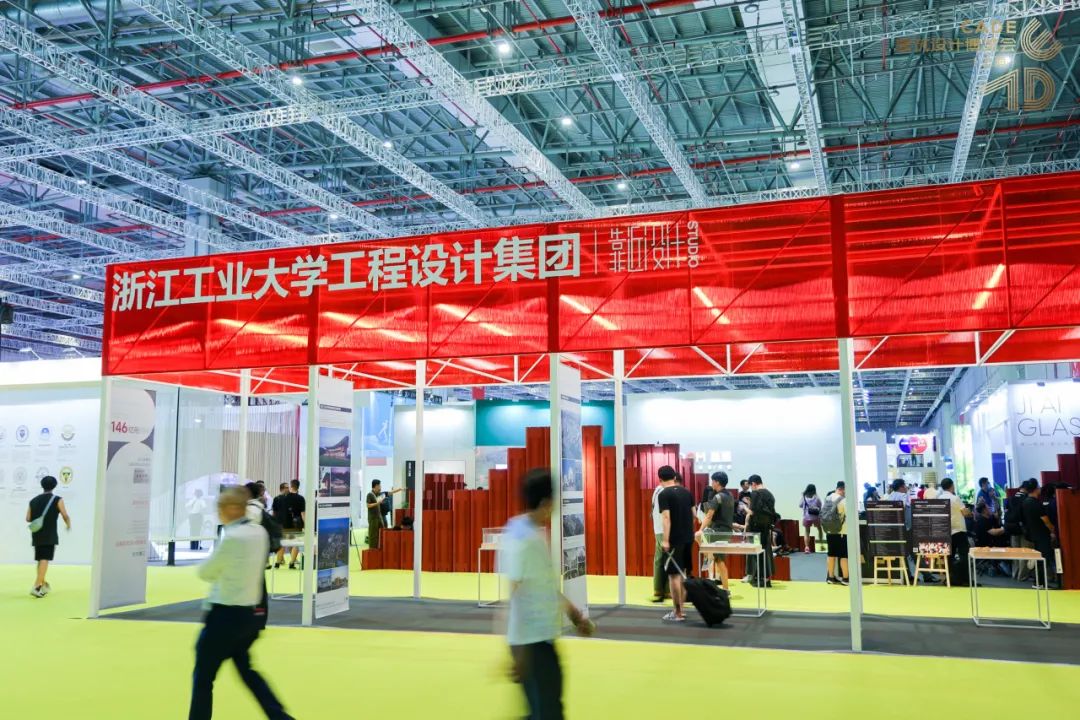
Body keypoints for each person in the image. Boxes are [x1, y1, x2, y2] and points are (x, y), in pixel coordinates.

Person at [188, 487, 295, 720]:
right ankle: (280, 717)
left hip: (223, 616)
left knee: (203, 677)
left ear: (232, 508)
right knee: (247, 672)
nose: (218, 512)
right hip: (249, 616)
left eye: (220, 507)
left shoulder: (232, 537)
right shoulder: (259, 532)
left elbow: (206, 572)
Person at [500, 468, 593, 720]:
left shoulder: (525, 530)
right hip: (531, 645)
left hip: (541, 639)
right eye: (553, 500)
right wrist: (518, 652)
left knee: (543, 709)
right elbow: (513, 595)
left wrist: (574, 615)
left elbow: (544, 585)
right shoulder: (524, 540)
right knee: (548, 712)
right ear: (545, 502)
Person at [658, 465, 696, 621]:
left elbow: (666, 518)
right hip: (688, 538)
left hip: (674, 540)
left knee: (674, 575)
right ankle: (681, 610)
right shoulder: (687, 492)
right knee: (683, 573)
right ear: (674, 477)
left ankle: (677, 613)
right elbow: (694, 515)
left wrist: (665, 540)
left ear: (660, 479)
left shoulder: (663, 494)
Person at [26, 475, 71, 598]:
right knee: (45, 558)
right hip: (49, 534)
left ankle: (43, 584)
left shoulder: (33, 500)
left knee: (41, 559)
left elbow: (28, 518)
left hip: (37, 533)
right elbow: (65, 515)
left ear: (42, 485)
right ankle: (36, 586)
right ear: (54, 486)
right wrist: (68, 524)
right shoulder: (57, 499)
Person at [697, 471, 735, 590]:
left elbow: (709, 516)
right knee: (720, 560)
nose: (711, 483)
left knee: (697, 536)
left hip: (717, 532)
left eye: (713, 481)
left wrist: (700, 530)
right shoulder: (730, 495)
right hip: (727, 532)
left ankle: (708, 556)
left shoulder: (717, 497)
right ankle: (725, 589)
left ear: (717, 482)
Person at [1021, 484, 1059, 589]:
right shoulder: (1036, 503)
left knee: (1039, 559)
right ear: (1035, 489)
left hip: (1033, 535)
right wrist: (1052, 529)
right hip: (1042, 535)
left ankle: (1038, 582)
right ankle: (1040, 583)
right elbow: (1045, 520)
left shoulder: (1025, 502)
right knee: (1043, 559)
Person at [649, 466, 677, 602]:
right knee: (668, 559)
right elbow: (667, 515)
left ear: (659, 478)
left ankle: (658, 589)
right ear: (674, 478)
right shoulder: (666, 492)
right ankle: (667, 590)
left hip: (658, 528)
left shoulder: (656, 491)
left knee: (659, 558)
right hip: (665, 529)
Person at [937, 478, 972, 585]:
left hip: (945, 531)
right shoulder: (955, 498)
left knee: (949, 556)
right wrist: (970, 512)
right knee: (963, 555)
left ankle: (950, 578)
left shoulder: (938, 499)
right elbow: (965, 512)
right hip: (959, 530)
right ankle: (965, 579)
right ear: (952, 485)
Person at [746, 475, 777, 587]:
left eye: (751, 486)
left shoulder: (755, 493)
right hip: (766, 527)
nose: (751, 488)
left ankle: (759, 578)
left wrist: (745, 508)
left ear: (753, 483)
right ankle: (766, 579)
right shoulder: (770, 494)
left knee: (756, 553)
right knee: (765, 552)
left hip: (755, 527)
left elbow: (752, 511)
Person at [822, 481, 848, 585]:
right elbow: (849, 513)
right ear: (842, 489)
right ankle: (845, 578)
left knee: (831, 554)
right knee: (843, 555)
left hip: (829, 530)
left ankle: (830, 577)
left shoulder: (827, 498)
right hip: (841, 531)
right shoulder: (843, 500)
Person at [365, 480, 403, 550]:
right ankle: (373, 550)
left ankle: (381, 548)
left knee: (382, 531)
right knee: (373, 535)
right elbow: (368, 505)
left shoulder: (380, 494)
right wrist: (377, 503)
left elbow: (390, 493)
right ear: (376, 486)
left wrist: (399, 489)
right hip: (373, 518)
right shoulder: (370, 494)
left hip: (379, 517)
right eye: (379, 485)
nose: (380, 487)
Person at [798, 484, 824, 552]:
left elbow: (800, 505)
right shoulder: (816, 497)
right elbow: (820, 505)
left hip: (806, 517)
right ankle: (821, 544)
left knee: (807, 531)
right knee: (819, 529)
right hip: (816, 516)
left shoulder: (804, 497)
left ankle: (807, 547)